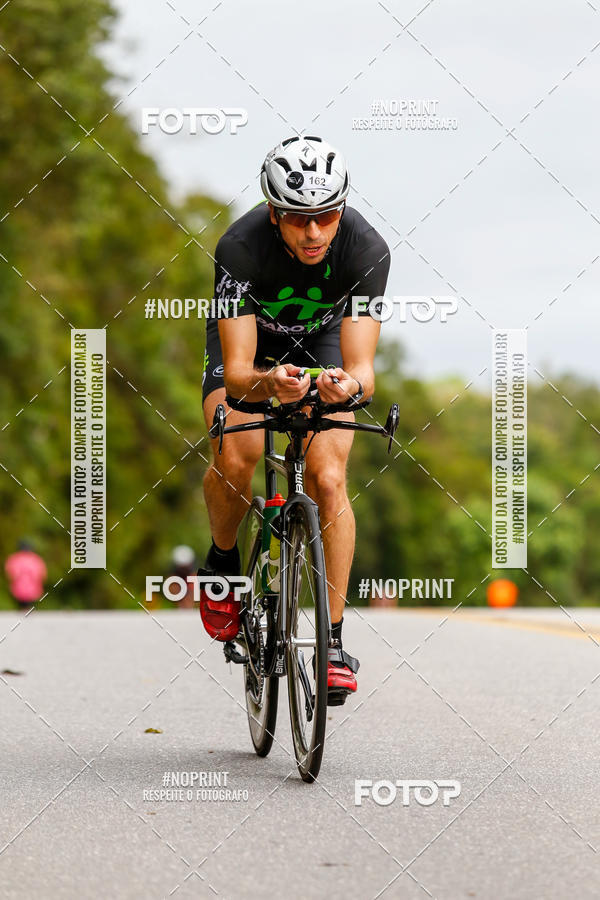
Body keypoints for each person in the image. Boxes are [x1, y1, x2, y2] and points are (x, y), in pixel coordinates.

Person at [199, 135, 390, 705]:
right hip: (250, 349)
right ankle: (223, 562)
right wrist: (267, 385)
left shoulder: (366, 249)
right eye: (299, 219)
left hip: (323, 343)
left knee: (328, 478)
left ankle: (332, 644)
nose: (313, 233)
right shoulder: (239, 248)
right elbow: (238, 374)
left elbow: (363, 370)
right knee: (239, 452)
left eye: (326, 217)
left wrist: (347, 386)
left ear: (342, 209)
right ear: (273, 213)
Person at [4, 540, 47, 612]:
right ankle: (27, 610)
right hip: (30, 587)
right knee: (28, 601)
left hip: (20, 587)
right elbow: (41, 573)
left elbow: (10, 573)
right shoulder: (35, 559)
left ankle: (24, 609)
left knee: (23, 602)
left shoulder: (15, 558)